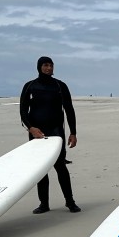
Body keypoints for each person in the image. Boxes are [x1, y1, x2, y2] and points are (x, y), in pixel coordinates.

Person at [20, 56, 80, 213]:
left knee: (60, 167)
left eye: (51, 65)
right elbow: (23, 110)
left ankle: (70, 202)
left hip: (56, 132)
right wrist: (31, 128)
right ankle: (44, 204)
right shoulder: (30, 86)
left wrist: (73, 132)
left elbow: (69, 110)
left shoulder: (60, 86)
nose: (49, 68)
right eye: (45, 65)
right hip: (37, 133)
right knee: (41, 170)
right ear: (39, 67)